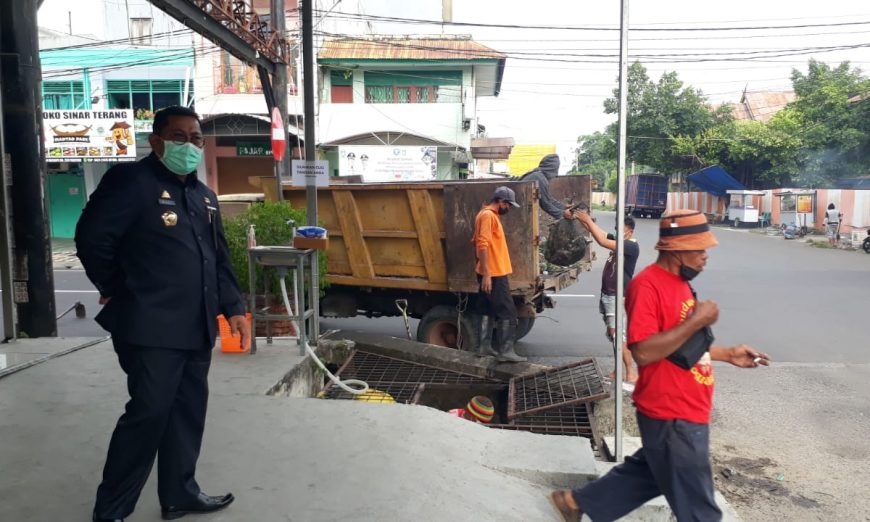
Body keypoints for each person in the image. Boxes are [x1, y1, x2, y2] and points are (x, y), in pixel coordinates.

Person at [76, 106, 250, 522]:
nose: (188, 145)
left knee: (188, 411)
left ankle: (179, 494)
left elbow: (217, 259)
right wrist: (118, 288)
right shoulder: (130, 182)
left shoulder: (204, 196)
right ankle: (112, 510)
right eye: (178, 136)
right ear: (156, 141)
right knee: (149, 414)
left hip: (196, 325)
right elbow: (92, 239)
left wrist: (235, 309)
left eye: (195, 138)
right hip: (149, 326)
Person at [548, 209, 771, 522]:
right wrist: (696, 322)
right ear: (677, 251)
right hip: (671, 413)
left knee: (650, 473)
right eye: (700, 249)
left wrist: (727, 354)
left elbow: (679, 348)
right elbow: (643, 351)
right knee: (700, 509)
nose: (706, 256)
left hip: (686, 409)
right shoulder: (648, 286)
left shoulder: (680, 284)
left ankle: (573, 502)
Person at [575, 211, 639, 383]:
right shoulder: (620, 240)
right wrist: (582, 220)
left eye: (621, 229)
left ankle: (630, 372)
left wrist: (588, 220)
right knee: (614, 335)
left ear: (630, 231)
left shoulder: (631, 246)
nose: (617, 232)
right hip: (608, 294)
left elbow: (602, 241)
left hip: (617, 296)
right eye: (617, 229)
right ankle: (619, 370)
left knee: (617, 334)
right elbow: (601, 234)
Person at [471, 186, 526, 362]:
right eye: (508, 205)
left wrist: (481, 269)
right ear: (501, 202)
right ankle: (506, 352)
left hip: (489, 271)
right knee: (508, 311)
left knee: (486, 308)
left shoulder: (486, 215)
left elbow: (476, 243)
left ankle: (483, 347)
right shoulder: (488, 216)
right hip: (493, 273)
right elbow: (482, 244)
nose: (508, 209)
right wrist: (487, 274)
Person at [519, 154, 573, 220]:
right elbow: (545, 203)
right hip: (520, 212)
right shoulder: (540, 178)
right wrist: (562, 213)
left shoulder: (538, 174)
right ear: (552, 169)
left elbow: (548, 198)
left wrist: (563, 207)